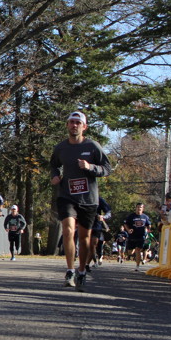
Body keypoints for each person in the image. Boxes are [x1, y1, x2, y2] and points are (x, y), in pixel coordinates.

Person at [50, 111, 112, 290]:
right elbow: (54, 164)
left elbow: (107, 168)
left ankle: (82, 271)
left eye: (78, 122)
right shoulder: (61, 148)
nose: (74, 125)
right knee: (68, 230)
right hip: (67, 195)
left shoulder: (92, 146)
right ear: (67, 125)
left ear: (84, 127)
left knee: (84, 238)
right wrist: (55, 175)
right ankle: (70, 270)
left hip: (88, 198)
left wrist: (90, 167)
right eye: (71, 122)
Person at [123, 203, 152, 271]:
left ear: (143, 209)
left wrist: (148, 230)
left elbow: (148, 225)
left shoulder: (145, 217)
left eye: (140, 207)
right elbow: (125, 224)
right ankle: (133, 250)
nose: (139, 208)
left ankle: (137, 266)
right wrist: (128, 230)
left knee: (138, 250)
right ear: (136, 208)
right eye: (138, 207)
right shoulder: (131, 216)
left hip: (141, 236)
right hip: (132, 236)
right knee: (130, 252)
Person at [88, 196, 111, 270]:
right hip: (85, 224)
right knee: (86, 245)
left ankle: (89, 263)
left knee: (93, 245)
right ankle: (88, 263)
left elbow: (109, 213)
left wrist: (103, 217)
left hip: (96, 226)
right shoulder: (82, 196)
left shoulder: (99, 199)